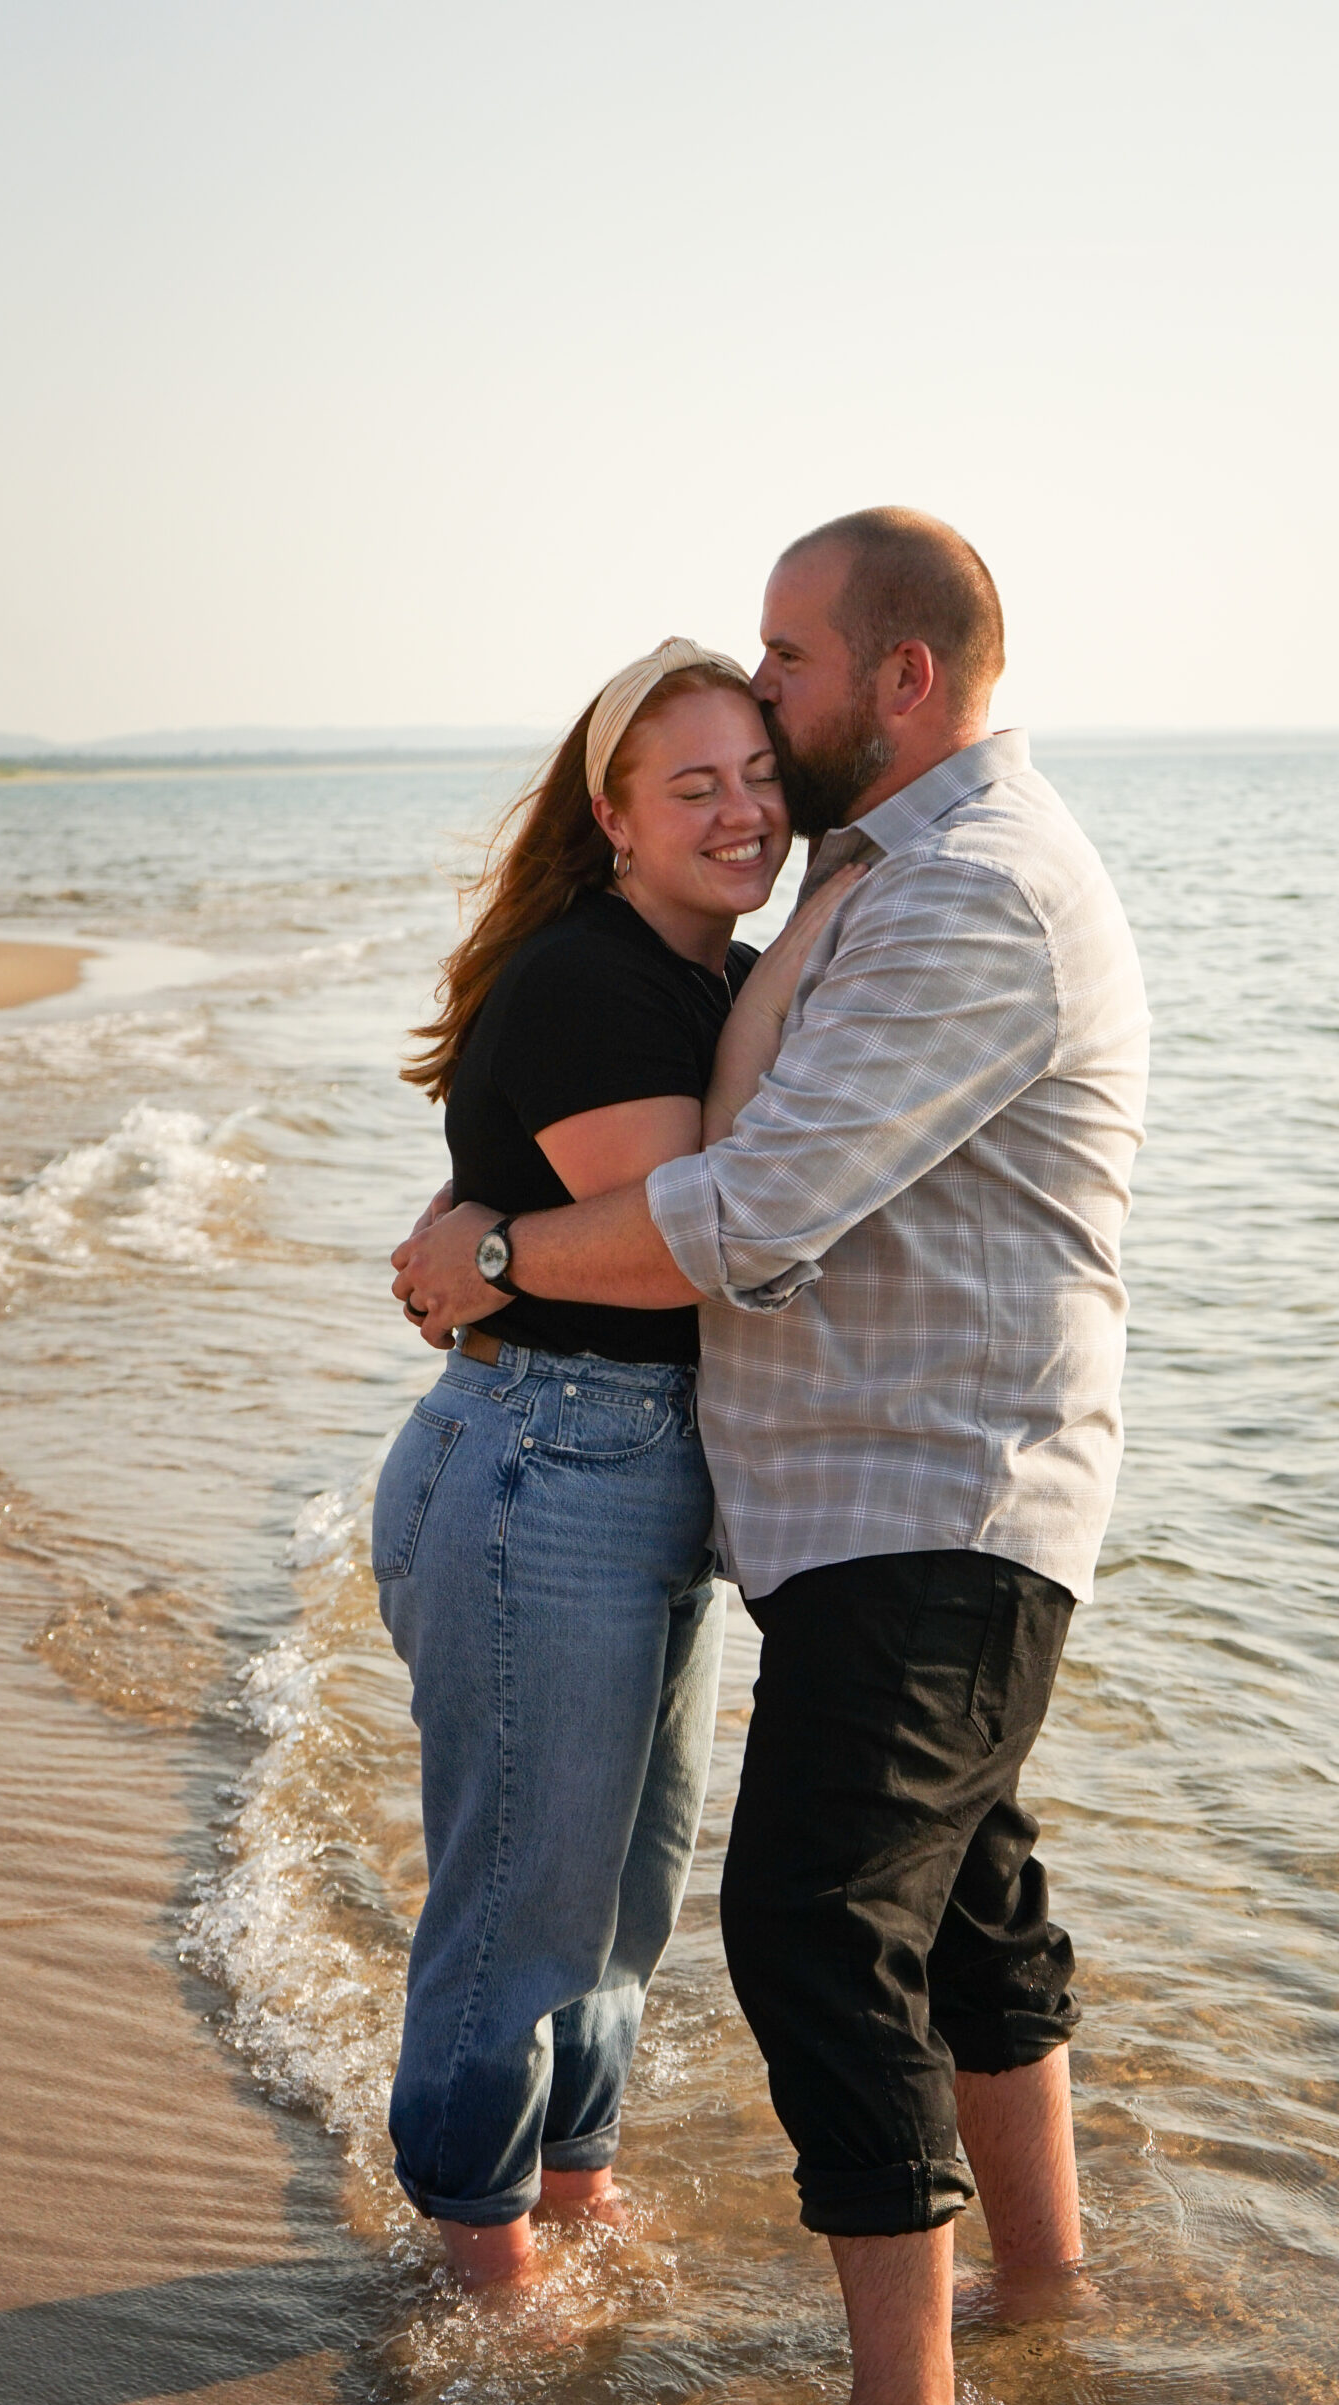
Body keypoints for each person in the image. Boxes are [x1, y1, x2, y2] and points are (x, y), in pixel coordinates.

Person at [390, 509, 1151, 2405]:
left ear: (894, 680)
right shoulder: (870, 870)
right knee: (958, 1894)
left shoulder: (961, 890)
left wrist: (488, 1253)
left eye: (785, 668)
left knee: (811, 1916)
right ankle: (1040, 2274)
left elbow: (756, 1205)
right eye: (707, 741)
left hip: (937, 1496)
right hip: (873, 1500)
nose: (767, 711)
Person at [375, 637, 849, 2297]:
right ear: (615, 819)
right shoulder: (597, 979)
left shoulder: (706, 972)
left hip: (636, 1469)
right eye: (694, 786)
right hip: (540, 1467)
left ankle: (571, 2185)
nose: (741, 812)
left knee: (629, 1893)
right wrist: (497, 1258)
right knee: (528, 1896)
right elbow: (675, 1253)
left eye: (763, 777)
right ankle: (479, 2254)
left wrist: (486, 1246)